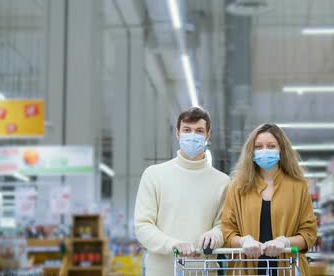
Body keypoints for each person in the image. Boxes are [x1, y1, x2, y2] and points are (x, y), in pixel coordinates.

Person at [134, 107, 230, 276]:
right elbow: (143, 226)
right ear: (178, 133)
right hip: (161, 271)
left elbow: (224, 225)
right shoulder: (154, 175)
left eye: (199, 131)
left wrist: (215, 235)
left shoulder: (222, 181)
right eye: (187, 130)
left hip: (205, 271)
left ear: (207, 135)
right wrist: (172, 244)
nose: (192, 135)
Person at [221, 123, 317, 275]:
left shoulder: (298, 187)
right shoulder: (238, 187)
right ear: (251, 151)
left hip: (288, 268)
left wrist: (285, 242)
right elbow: (227, 232)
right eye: (258, 147)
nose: (264, 151)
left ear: (281, 150)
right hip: (246, 269)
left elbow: (309, 234)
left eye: (271, 146)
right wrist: (243, 241)